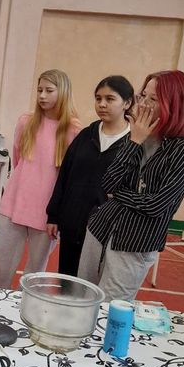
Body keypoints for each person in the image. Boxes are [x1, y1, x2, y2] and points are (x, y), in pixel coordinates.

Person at [77, 70, 184, 302]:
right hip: (101, 229)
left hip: (135, 243)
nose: (143, 104)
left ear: (174, 104)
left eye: (153, 99)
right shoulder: (136, 136)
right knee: (82, 299)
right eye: (143, 96)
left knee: (111, 308)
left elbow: (157, 205)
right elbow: (108, 183)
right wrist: (134, 141)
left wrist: (119, 195)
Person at [0, 69, 80, 289]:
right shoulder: (26, 121)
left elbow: (69, 176)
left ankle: (26, 304)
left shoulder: (74, 130)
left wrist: (58, 214)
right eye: (39, 90)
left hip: (48, 213)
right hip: (15, 204)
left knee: (36, 270)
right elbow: (18, 157)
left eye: (49, 90)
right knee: (0, 259)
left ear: (63, 92)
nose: (42, 95)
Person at [46, 75, 134, 276]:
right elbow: (64, 176)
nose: (102, 104)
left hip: (107, 231)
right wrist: (54, 215)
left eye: (110, 99)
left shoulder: (134, 143)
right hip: (72, 225)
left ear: (127, 103)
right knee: (67, 283)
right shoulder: (86, 135)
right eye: (98, 98)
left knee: (95, 286)